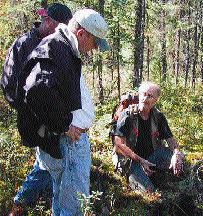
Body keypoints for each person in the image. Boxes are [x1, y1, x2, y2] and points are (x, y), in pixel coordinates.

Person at [21, 8, 109, 215]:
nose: (94, 48)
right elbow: (36, 90)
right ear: (81, 34)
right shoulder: (57, 48)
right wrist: (64, 126)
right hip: (68, 142)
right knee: (73, 206)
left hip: (68, 141)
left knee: (63, 202)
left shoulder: (64, 47)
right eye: (95, 42)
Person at [0, 3, 72, 215]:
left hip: (56, 120)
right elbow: (9, 86)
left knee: (49, 163)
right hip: (35, 121)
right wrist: (35, 111)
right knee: (45, 162)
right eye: (60, 26)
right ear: (47, 21)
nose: (64, 32)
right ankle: (19, 206)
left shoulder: (60, 43)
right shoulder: (24, 44)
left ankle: (36, 206)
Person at [112, 81, 184, 192]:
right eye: (143, 94)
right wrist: (141, 161)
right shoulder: (127, 115)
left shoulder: (158, 116)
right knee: (150, 193)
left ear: (155, 100)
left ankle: (182, 186)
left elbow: (170, 140)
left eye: (149, 96)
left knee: (180, 162)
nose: (145, 98)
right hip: (131, 162)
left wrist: (176, 154)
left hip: (152, 157)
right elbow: (118, 145)